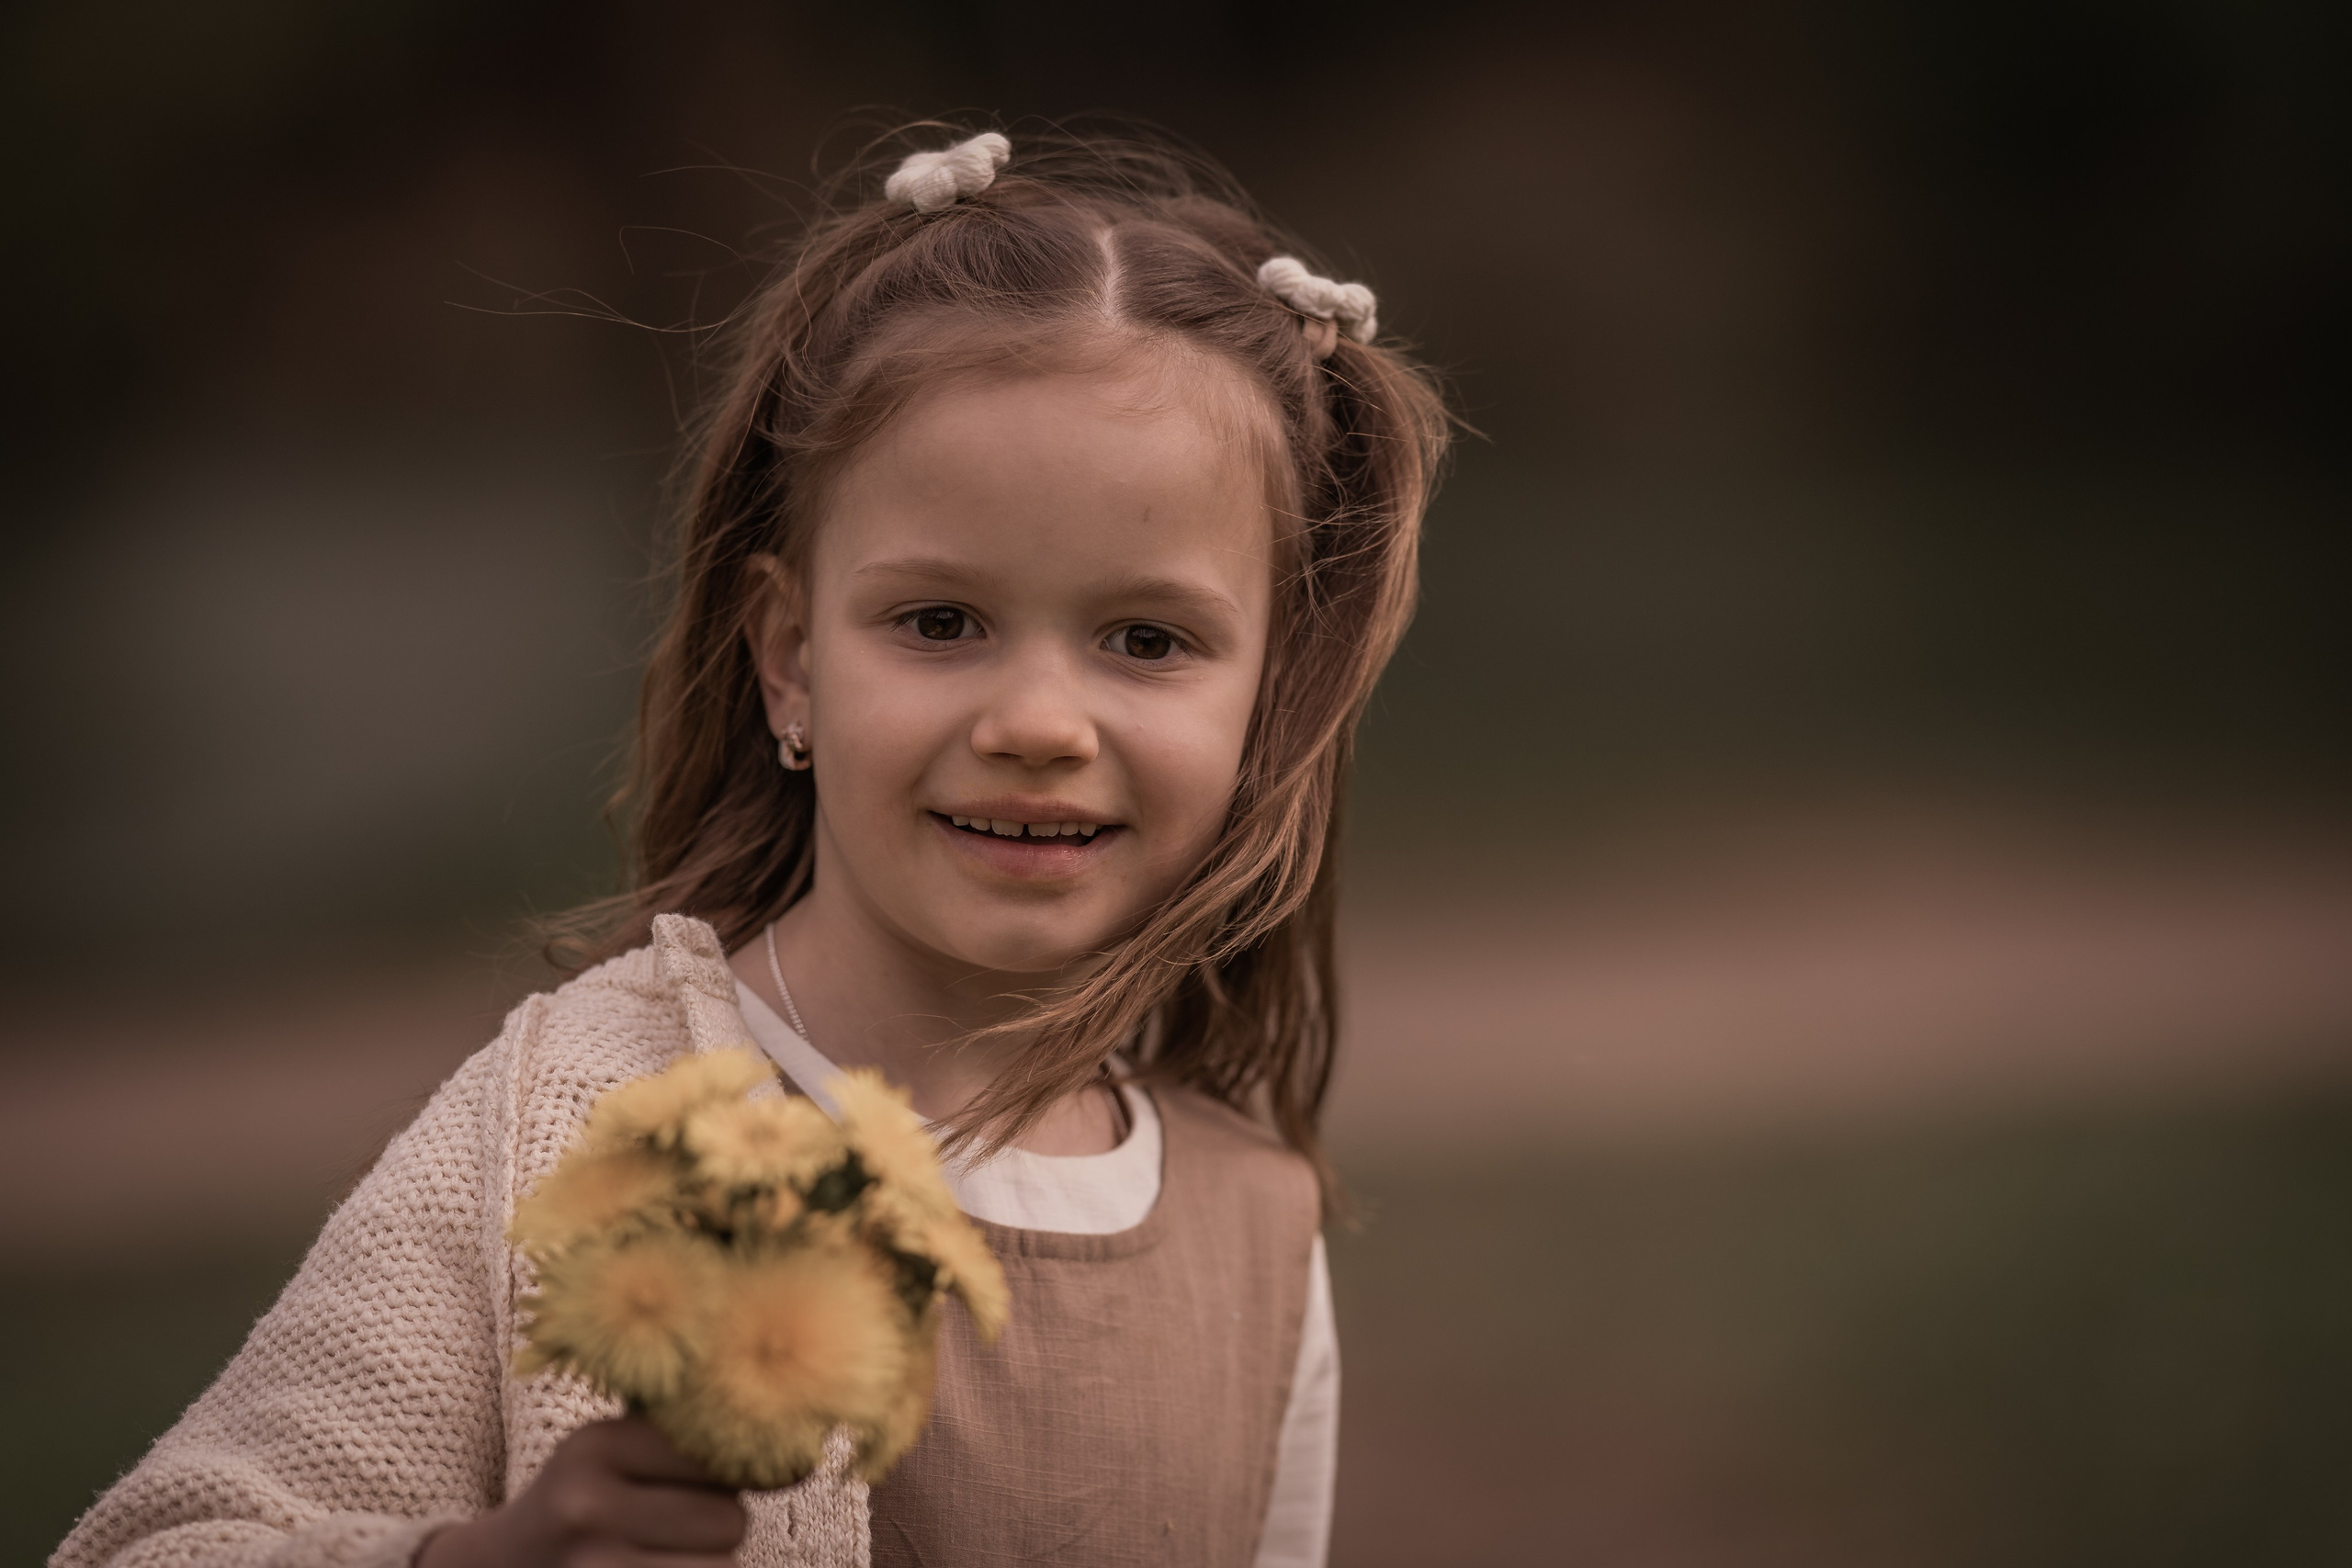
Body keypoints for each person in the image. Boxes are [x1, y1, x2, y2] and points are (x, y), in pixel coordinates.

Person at [53, 125, 1449, 1568]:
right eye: (939, 623)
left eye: (1147, 640)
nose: (1038, 721)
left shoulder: (1256, 1229)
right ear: (789, 662)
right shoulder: (574, 1134)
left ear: (1264, 706)